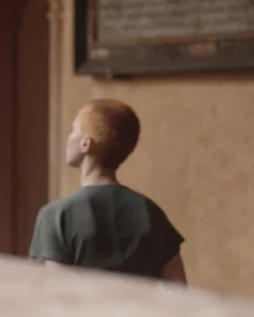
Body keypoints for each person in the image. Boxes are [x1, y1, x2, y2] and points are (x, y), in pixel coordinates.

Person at [28, 99, 187, 284]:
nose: (69, 137)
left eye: (74, 130)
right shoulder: (152, 213)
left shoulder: (56, 216)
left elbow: (51, 293)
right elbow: (178, 289)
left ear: (86, 144)